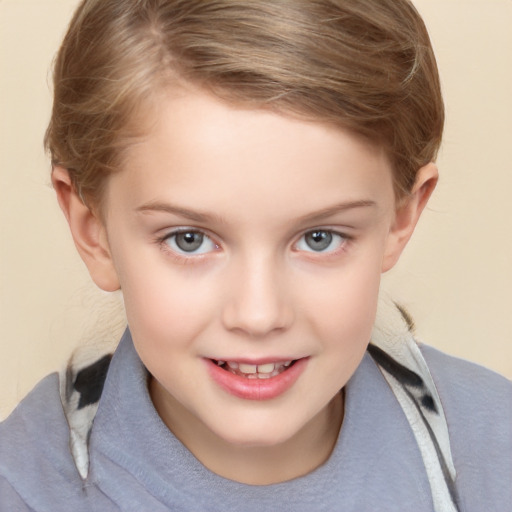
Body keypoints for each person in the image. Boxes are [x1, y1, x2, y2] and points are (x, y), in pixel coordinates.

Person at [0, 0, 510, 510]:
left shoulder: (493, 451)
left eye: (319, 237)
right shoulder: (25, 486)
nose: (259, 315)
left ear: (401, 217)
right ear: (94, 231)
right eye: (189, 239)